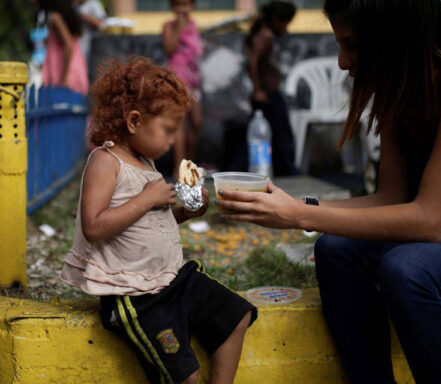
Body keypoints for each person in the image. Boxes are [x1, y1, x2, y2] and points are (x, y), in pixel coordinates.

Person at [217, 0, 441, 383]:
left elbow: (428, 220)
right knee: (335, 248)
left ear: (397, 38)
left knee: (407, 269)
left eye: (353, 44)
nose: (342, 61)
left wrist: (300, 216)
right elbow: (391, 199)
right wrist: (295, 206)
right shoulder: (401, 88)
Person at [60, 57, 256, 384]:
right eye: (168, 130)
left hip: (173, 279)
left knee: (237, 315)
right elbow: (94, 227)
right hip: (135, 295)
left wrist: (183, 212)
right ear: (134, 121)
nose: (171, 141)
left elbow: (144, 224)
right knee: (185, 376)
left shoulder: (145, 160)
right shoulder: (105, 161)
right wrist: (146, 199)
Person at [245, 0, 297, 176]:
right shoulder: (265, 35)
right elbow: (252, 62)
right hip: (267, 95)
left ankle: (285, 170)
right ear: (275, 19)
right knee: (280, 136)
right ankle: (287, 171)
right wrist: (258, 90)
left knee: (277, 135)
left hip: (270, 94)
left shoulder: (266, 34)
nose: (285, 27)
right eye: (284, 22)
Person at [162, 0, 203, 178]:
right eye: (178, 5)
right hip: (177, 80)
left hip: (193, 82)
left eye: (185, 5)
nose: (182, 9)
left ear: (192, 7)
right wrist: (178, 27)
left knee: (196, 122)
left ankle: (190, 165)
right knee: (179, 124)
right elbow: (169, 49)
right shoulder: (169, 26)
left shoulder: (194, 27)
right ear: (172, 7)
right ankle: (179, 171)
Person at [36, 0, 89, 95]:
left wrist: (64, 79)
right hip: (75, 70)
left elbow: (69, 45)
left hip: (66, 76)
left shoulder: (56, 18)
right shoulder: (59, 17)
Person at [74, 0, 106, 65]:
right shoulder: (74, 5)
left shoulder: (94, 4)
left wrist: (84, 17)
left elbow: (102, 24)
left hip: (92, 44)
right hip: (78, 44)